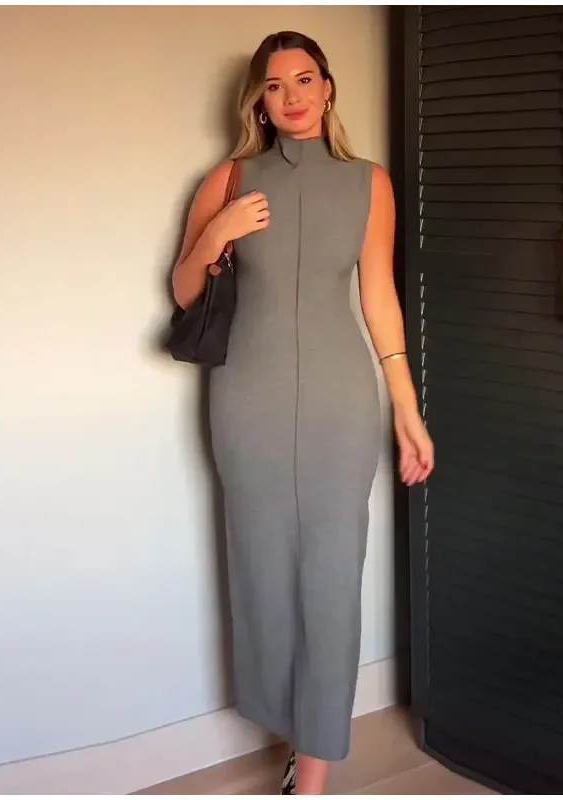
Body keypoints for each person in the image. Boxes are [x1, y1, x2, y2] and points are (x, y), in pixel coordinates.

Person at [171, 31, 434, 795]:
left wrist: (407, 408)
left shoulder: (368, 183)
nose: (292, 96)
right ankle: (287, 727)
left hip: (339, 400)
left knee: (332, 574)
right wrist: (217, 234)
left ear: (327, 87)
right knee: (260, 565)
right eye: (275, 84)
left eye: (305, 79)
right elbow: (184, 293)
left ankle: (311, 771)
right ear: (258, 99)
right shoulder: (229, 178)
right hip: (245, 398)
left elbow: (378, 297)